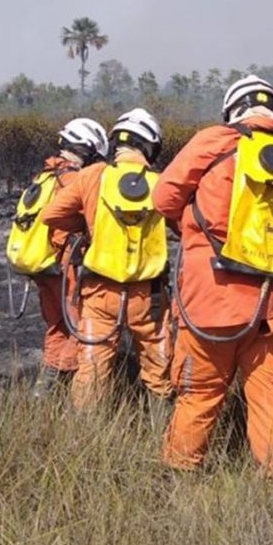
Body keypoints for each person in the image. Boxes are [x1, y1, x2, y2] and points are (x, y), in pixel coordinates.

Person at [153, 74, 273, 480]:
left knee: (199, 393)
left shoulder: (214, 141)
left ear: (233, 110)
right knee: (272, 396)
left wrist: (194, 224)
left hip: (211, 302)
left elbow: (163, 198)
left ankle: (179, 479)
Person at [41, 108, 174, 415]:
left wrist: (89, 225)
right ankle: (159, 437)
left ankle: (85, 440)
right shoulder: (162, 181)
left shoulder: (92, 175)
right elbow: (182, 222)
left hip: (99, 294)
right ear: (150, 146)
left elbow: (52, 215)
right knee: (159, 370)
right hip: (149, 297)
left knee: (92, 371)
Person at [25, 117, 109, 397]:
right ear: (87, 149)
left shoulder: (43, 176)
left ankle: (43, 391)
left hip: (43, 266)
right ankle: (68, 390)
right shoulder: (75, 179)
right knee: (79, 327)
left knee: (56, 326)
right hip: (66, 267)